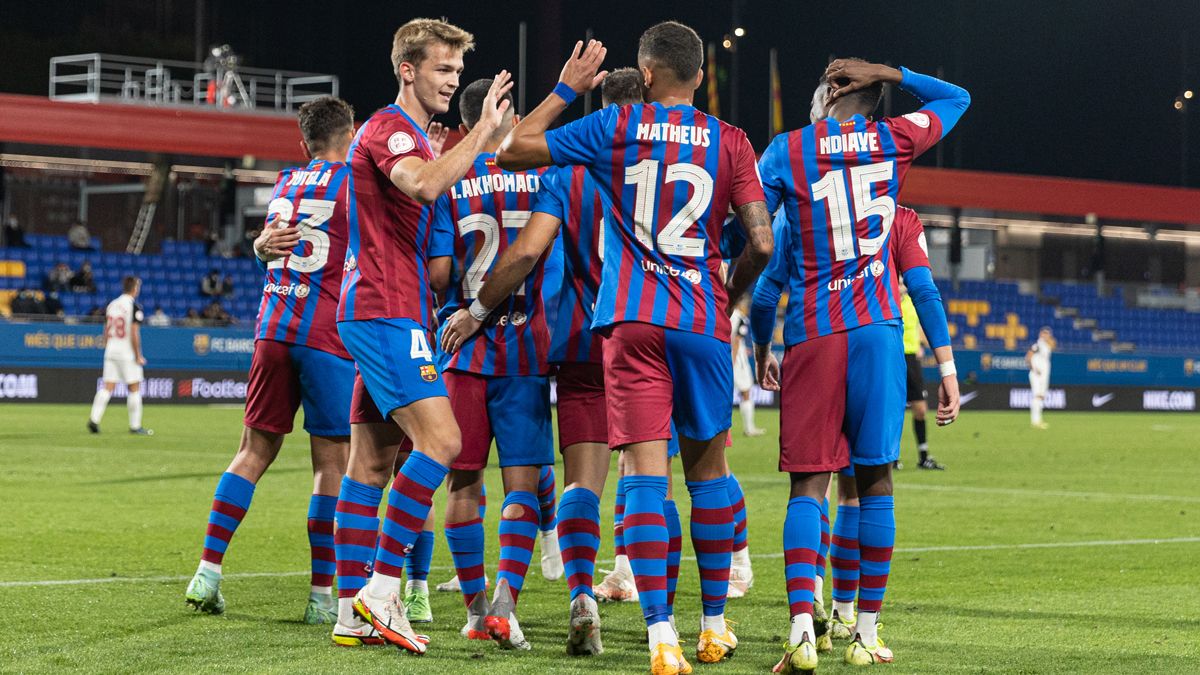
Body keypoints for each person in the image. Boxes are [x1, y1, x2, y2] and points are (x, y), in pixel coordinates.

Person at [492, 24, 774, 673]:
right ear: (700, 76)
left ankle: (660, 637)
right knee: (707, 475)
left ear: (645, 75)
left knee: (643, 476)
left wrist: (567, 86)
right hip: (701, 316)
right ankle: (711, 626)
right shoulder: (729, 139)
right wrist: (728, 298)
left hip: (629, 320)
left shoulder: (617, 129)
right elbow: (760, 242)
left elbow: (511, 149)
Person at [751, 59, 968, 671]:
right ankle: (864, 633)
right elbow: (957, 95)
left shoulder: (787, 149)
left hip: (814, 335)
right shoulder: (890, 140)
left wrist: (756, 342)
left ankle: (801, 628)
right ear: (874, 103)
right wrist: (888, 70)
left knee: (807, 488)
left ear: (822, 98)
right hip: (876, 333)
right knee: (874, 486)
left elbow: (756, 236)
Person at [441, 67, 642, 655]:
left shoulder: (556, 172)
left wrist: (473, 308)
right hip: (654, 329)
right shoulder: (679, 158)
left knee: (465, 480)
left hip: (563, 338)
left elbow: (518, 252)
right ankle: (666, 615)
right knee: (662, 476)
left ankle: (484, 606)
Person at [330, 17, 513, 656]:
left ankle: (348, 611)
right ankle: (381, 593)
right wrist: (483, 133)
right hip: (385, 311)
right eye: (442, 69)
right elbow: (424, 184)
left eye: (458, 73)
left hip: (383, 308)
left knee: (372, 463)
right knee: (443, 441)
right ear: (407, 70)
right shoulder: (387, 128)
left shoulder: (410, 136)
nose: (452, 81)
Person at [184, 96, 357, 626]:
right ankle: (321, 597)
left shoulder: (285, 183)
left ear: (303, 144)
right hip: (327, 336)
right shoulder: (356, 184)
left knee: (252, 452)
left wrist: (259, 249)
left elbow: (268, 246)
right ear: (350, 137)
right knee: (331, 465)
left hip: (272, 329)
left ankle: (207, 572)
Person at [424, 78, 553, 650]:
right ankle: (506, 601)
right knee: (522, 482)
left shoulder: (453, 179)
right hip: (526, 344)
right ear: (504, 113)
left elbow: (437, 276)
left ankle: (477, 611)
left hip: (461, 346)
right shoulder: (546, 175)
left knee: (464, 482)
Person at [88, 276, 152, 435]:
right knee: (134, 386)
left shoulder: (112, 304)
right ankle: (135, 426)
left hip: (111, 349)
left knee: (107, 386)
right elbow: (134, 333)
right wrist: (138, 355)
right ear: (135, 288)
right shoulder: (133, 307)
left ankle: (94, 419)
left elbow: (106, 329)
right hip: (126, 351)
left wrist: (107, 345)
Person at [900, 278, 945, 469]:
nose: (901, 287)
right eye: (898, 283)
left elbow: (919, 327)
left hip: (912, 359)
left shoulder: (911, 304)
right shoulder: (886, 302)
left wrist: (924, 345)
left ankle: (924, 456)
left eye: (903, 283)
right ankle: (891, 458)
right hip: (892, 357)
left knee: (920, 409)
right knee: (893, 411)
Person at [730, 300, 764, 436]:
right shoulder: (739, 318)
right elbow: (737, 340)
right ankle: (749, 428)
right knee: (746, 392)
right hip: (737, 360)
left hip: (719, 355)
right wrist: (732, 362)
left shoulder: (722, 313)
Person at [1026, 327, 1053, 429]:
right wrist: (1033, 369)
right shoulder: (1038, 345)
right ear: (1041, 334)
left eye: (1048, 334)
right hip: (1037, 375)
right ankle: (1035, 421)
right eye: (1044, 333)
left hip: (1043, 376)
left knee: (1041, 397)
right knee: (1037, 396)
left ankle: (1038, 420)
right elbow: (1028, 356)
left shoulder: (1046, 346)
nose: (1046, 335)